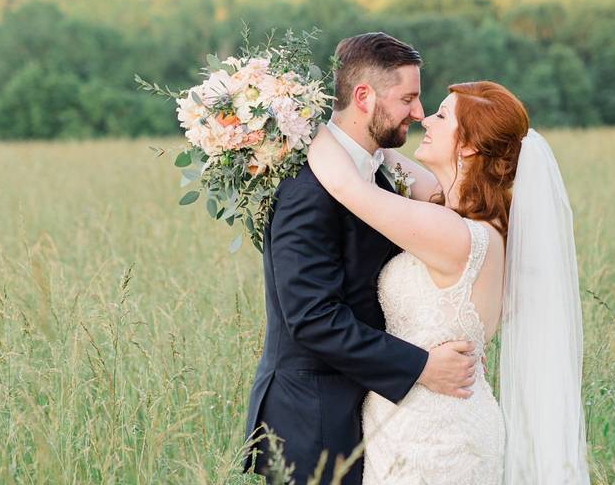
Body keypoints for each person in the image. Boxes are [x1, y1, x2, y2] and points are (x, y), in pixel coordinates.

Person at [307, 80, 590, 484]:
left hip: (434, 440)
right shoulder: (471, 218)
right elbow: (385, 159)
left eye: (442, 115)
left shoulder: (454, 234)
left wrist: (292, 116)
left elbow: (345, 185)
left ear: (470, 146)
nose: (426, 119)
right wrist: (367, 123)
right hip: (429, 423)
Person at [242, 33, 477, 485]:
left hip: (364, 405)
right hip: (311, 416)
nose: (417, 112)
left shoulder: (375, 176)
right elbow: (311, 317)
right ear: (364, 97)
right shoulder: (309, 189)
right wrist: (422, 366)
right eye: (407, 98)